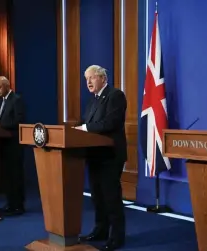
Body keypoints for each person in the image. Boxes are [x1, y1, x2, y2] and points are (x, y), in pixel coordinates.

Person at [74, 65, 127, 251]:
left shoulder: (115, 96)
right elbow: (85, 123)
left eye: (91, 78)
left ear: (103, 78)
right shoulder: (92, 101)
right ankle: (101, 230)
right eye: (86, 79)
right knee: (97, 196)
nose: (87, 82)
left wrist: (84, 129)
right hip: (95, 155)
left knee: (111, 197)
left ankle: (117, 236)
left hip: (110, 156)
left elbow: (110, 123)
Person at [0, 76, 26, 217]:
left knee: (15, 176)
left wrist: (0, 126)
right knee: (7, 176)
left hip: (14, 145)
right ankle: (10, 204)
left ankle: (18, 206)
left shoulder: (16, 100)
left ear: (6, 86)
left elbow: (19, 121)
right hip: (3, 144)